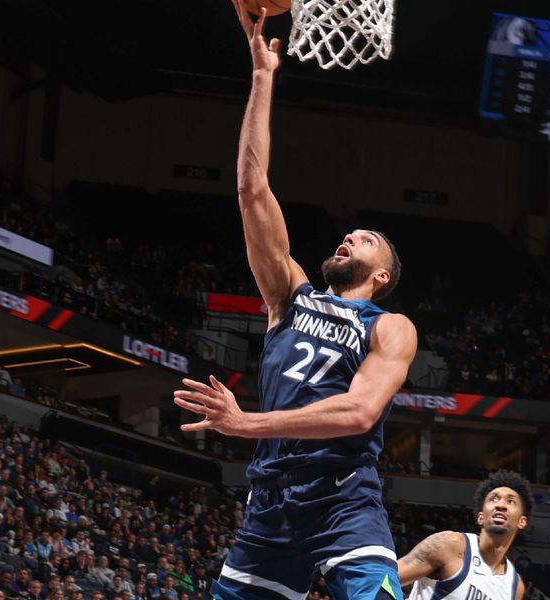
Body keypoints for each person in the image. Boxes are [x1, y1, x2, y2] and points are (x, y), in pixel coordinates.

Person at [173, 3, 418, 600]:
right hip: (272, 501)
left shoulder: (391, 327)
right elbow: (252, 190)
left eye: (365, 239)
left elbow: (358, 414)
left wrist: (245, 423)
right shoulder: (290, 295)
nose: (349, 237)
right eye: (349, 234)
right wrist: (262, 78)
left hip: (344, 497)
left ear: (381, 273)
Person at [397, 470, 533, 600]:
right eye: (494, 499)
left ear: (522, 521)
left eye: (510, 501)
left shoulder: (515, 586)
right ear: (480, 517)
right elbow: (384, 576)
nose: (501, 505)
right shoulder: (449, 545)